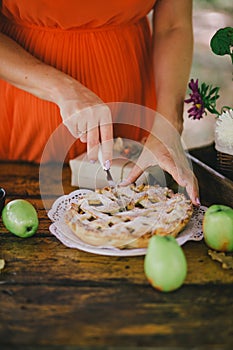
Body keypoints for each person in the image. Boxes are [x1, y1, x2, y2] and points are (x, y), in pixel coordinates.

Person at [0, 0, 200, 205]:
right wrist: (62, 88)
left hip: (130, 107)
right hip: (22, 106)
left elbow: (173, 25)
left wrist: (169, 123)